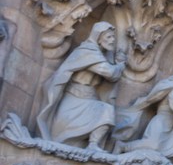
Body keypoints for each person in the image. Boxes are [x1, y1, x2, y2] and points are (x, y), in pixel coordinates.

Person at [36, 22, 125, 151]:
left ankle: (93, 145)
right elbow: (111, 73)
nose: (112, 41)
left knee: (106, 111)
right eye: (109, 37)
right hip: (74, 101)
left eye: (113, 38)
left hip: (89, 99)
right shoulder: (88, 52)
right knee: (106, 110)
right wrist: (121, 65)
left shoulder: (99, 54)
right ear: (98, 37)